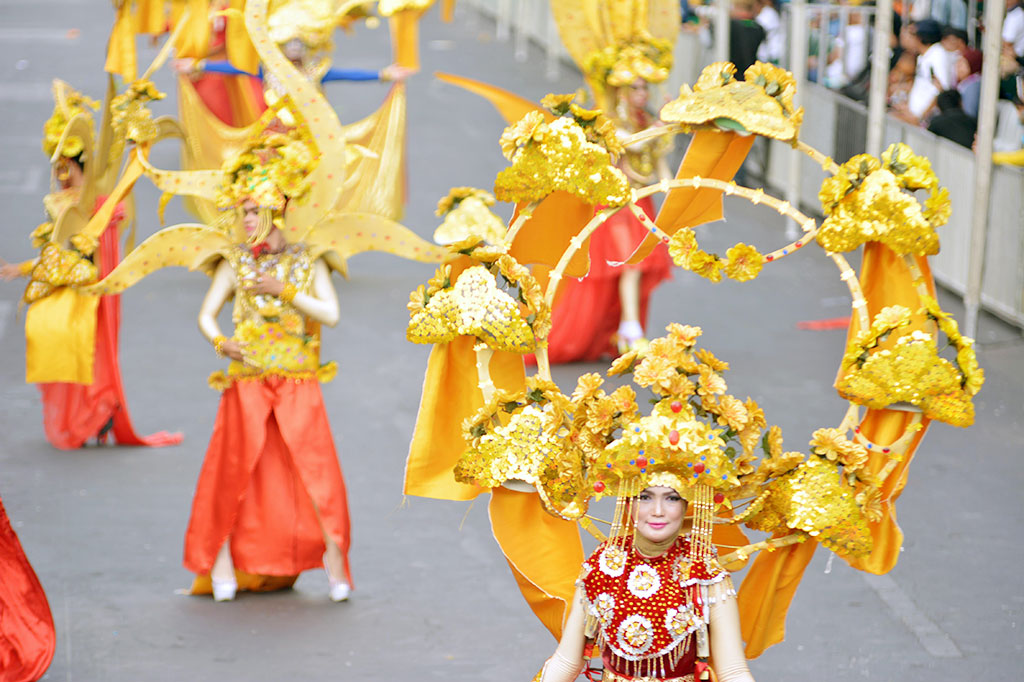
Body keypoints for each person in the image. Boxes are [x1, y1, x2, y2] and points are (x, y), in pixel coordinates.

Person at [184, 193, 353, 602]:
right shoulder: (234, 261)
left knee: (316, 470)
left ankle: (336, 562)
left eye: (254, 212)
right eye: (242, 212)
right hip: (247, 381)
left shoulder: (307, 260)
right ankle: (221, 561)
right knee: (233, 469)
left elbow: (330, 314)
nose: (245, 220)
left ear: (276, 213)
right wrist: (223, 343)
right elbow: (206, 315)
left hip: (297, 380)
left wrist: (286, 290)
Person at [0, 84, 181, 450]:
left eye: (64, 166)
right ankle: (86, 416)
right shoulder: (59, 202)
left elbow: (108, 228)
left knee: (91, 353)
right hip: (68, 285)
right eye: (57, 167)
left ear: (79, 163)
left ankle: (99, 412)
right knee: (61, 346)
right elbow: (57, 250)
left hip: (93, 288)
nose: (61, 173)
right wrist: (20, 269)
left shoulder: (101, 204)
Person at [537, 486, 754, 681]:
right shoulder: (604, 564)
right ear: (628, 503)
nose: (657, 510)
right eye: (644, 497)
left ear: (687, 503)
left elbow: (733, 672)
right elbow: (566, 661)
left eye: (672, 498)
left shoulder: (704, 572)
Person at [540, 77, 674, 363]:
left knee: (637, 265)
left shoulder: (645, 119)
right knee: (632, 264)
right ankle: (630, 329)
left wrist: (674, 188)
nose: (642, 94)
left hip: (640, 200)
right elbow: (633, 146)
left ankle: (626, 329)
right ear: (621, 90)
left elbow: (656, 159)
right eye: (635, 88)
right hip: (615, 203)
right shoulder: (606, 122)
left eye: (644, 88)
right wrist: (662, 126)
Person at [893, 19, 954, 125]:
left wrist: (921, 118)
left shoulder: (938, 54)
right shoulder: (923, 56)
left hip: (924, 121)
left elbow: (941, 91)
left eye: (912, 34)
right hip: (913, 114)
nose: (908, 38)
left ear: (920, 37)